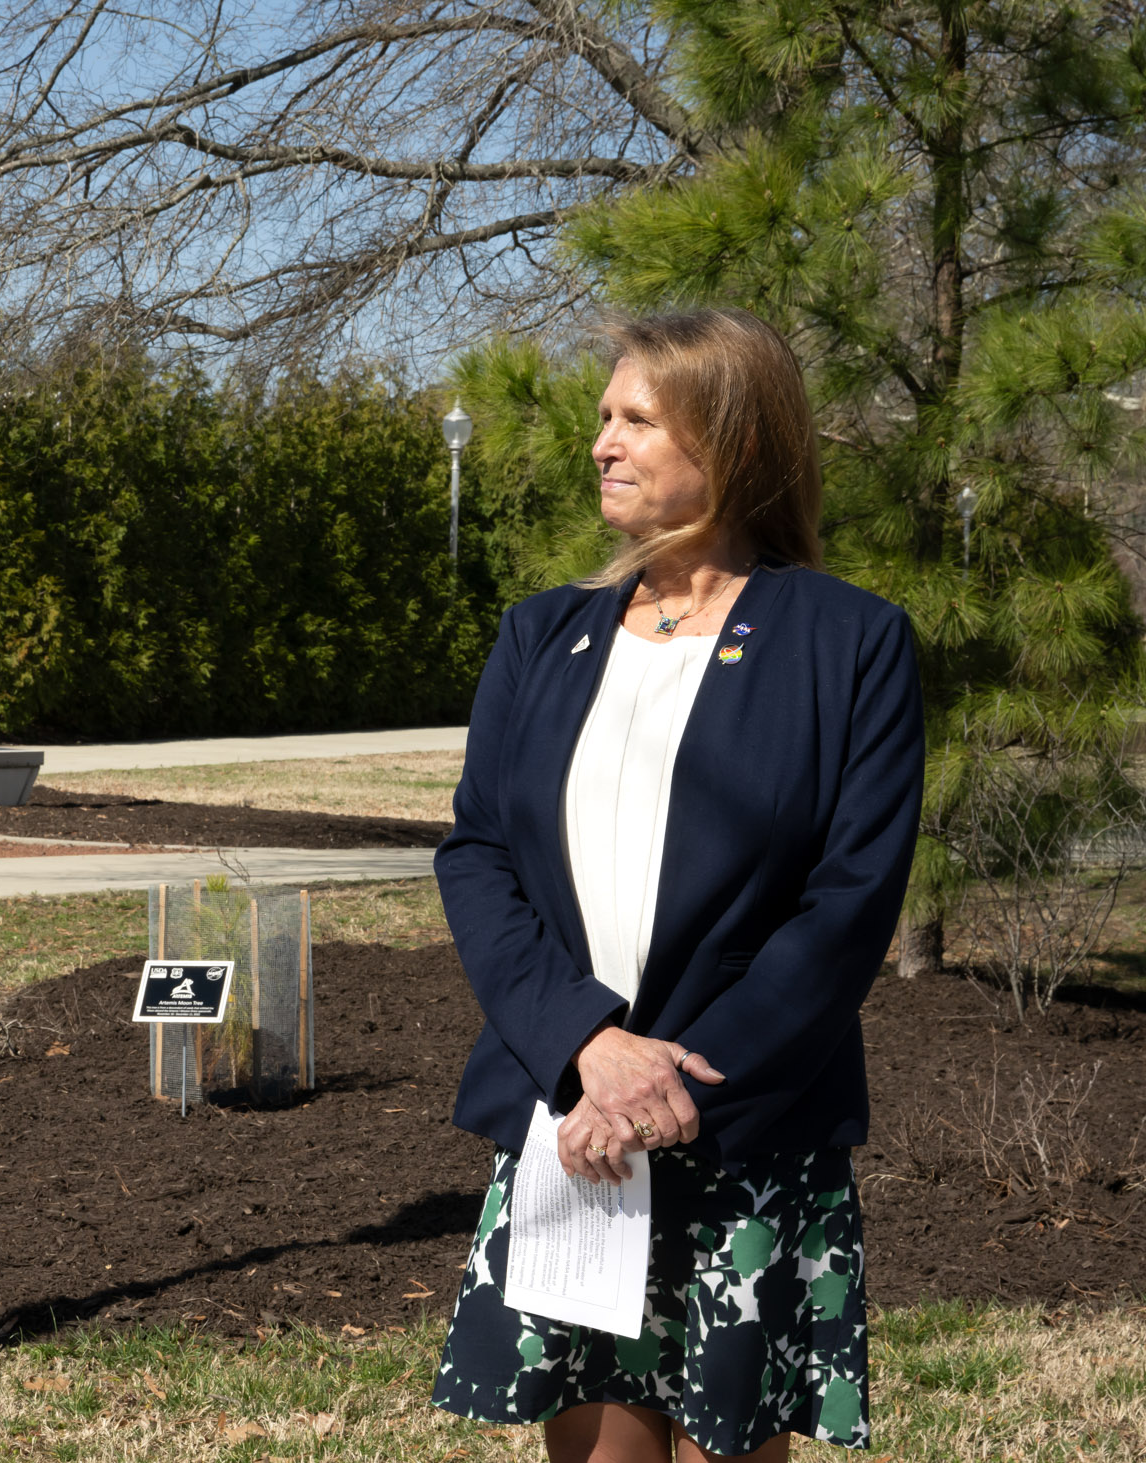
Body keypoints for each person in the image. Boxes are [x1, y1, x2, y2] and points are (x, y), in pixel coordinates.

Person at [429, 308, 923, 1461]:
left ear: (733, 442)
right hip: (573, 1122)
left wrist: (673, 1083)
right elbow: (477, 855)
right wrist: (587, 1050)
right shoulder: (540, 637)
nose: (601, 441)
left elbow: (848, 901)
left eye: (636, 419)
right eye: (602, 416)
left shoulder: (847, 643)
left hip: (740, 1126)